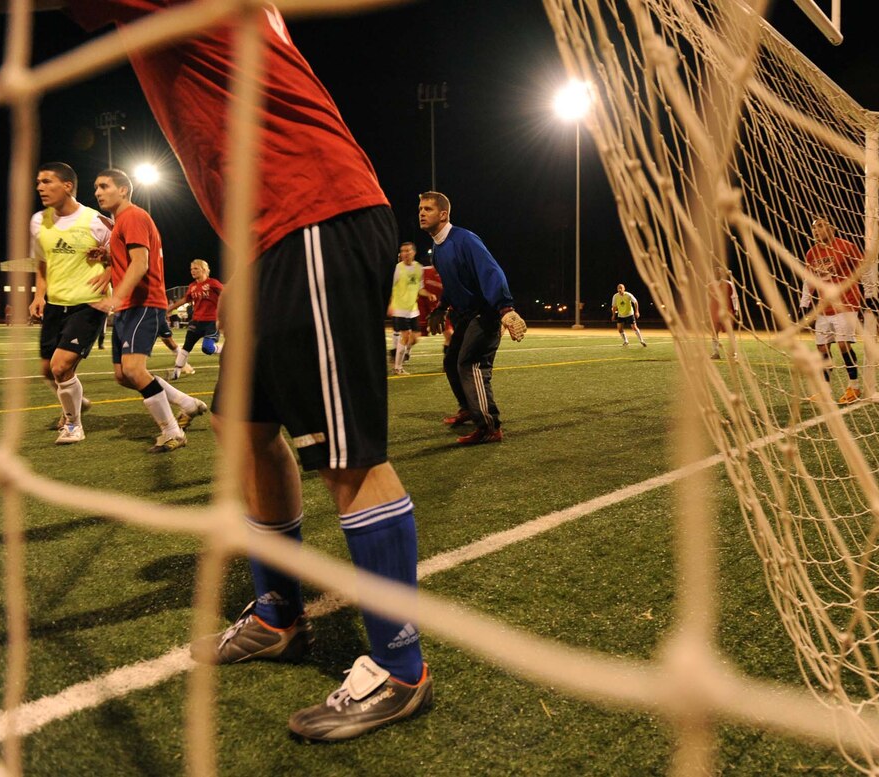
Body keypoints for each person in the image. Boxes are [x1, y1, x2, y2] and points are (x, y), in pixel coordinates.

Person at [28, 1, 433, 742]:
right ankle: (279, 612)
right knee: (241, 423)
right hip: (270, 233)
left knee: (346, 454)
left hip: (310, 212)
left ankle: (401, 668)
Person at [92, 168, 208, 451]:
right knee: (123, 375)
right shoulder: (121, 222)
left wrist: (115, 297)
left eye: (104, 186)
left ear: (123, 190)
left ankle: (172, 432)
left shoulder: (132, 216)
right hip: (129, 306)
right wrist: (107, 258)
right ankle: (187, 403)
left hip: (142, 303)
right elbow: (128, 258)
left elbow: (141, 263)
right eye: (96, 187)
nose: (97, 192)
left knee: (134, 369)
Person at [419, 191, 527, 445]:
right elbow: (454, 282)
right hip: (467, 314)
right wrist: (441, 307)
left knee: (471, 364)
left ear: (443, 214)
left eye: (428, 209)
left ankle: (490, 426)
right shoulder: (438, 246)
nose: (422, 213)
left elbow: (490, 271)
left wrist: (505, 308)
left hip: (487, 313)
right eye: (420, 209)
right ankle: (468, 409)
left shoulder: (464, 239)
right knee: (451, 360)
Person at [28, 162, 111, 444]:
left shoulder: (96, 221)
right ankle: (75, 403)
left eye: (47, 181)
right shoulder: (39, 221)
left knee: (61, 366)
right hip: (55, 304)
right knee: (47, 369)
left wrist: (110, 282)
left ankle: (73, 425)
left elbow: (122, 257)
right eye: (38, 182)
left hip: (88, 304)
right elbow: (41, 262)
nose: (40, 187)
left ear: (67, 186)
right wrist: (39, 295)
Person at [799, 216, 867, 405]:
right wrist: (804, 304)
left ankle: (854, 387)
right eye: (814, 228)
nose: (816, 230)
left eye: (820, 226)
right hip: (824, 307)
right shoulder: (812, 253)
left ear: (832, 229)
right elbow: (809, 280)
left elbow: (863, 269)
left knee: (843, 344)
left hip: (847, 303)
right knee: (821, 348)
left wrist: (869, 295)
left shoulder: (846, 246)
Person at [166, 258, 224, 380]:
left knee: (207, 348)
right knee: (186, 346)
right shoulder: (192, 286)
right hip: (196, 322)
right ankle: (176, 373)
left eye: (195, 268)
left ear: (204, 269)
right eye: (191, 269)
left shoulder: (213, 283)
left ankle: (226, 349)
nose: (192, 271)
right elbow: (184, 300)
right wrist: (169, 309)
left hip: (211, 322)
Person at [388, 242, 429, 375]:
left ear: (414, 252)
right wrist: (390, 305)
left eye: (407, 251)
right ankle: (397, 367)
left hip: (413, 310)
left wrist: (429, 294)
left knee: (416, 337)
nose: (405, 253)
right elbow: (390, 288)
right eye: (402, 251)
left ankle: (400, 352)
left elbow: (420, 288)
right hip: (400, 309)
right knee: (405, 337)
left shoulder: (419, 268)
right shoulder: (397, 268)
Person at [706, 265, 739, 360]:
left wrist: (736, 310)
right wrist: (707, 312)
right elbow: (707, 299)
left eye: (720, 272)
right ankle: (716, 353)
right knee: (714, 333)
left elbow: (734, 297)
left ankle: (735, 353)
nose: (718, 274)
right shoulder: (709, 285)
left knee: (730, 333)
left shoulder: (728, 284)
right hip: (714, 311)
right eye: (716, 272)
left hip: (727, 311)